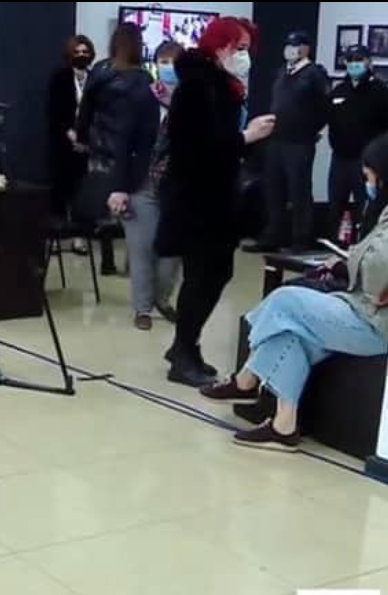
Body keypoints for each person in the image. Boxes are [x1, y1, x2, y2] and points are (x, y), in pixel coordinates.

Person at [200, 133, 388, 452]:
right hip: (361, 307)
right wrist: (351, 260)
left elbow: (378, 270)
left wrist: (348, 264)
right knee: (290, 330)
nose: (366, 182)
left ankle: (246, 381)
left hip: (374, 323)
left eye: (369, 175)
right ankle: (284, 426)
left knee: (283, 302)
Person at [156, 17, 277, 387]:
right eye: (238, 48)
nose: (244, 57)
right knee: (202, 276)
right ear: (220, 46)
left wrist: (246, 140)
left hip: (215, 200)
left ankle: (185, 346)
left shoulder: (222, 86)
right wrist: (245, 137)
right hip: (197, 201)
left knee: (215, 273)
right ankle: (184, 350)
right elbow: (195, 148)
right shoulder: (198, 87)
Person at [74, 23, 160, 276]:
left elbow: (85, 111)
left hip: (101, 148)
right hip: (133, 153)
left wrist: (82, 137)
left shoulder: (99, 71)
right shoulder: (144, 79)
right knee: (133, 207)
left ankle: (107, 260)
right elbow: (149, 124)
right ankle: (133, 260)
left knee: (106, 204)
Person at [120, 41, 184, 331]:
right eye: (163, 62)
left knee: (172, 251)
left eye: (173, 63)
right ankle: (142, 307)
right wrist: (118, 187)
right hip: (141, 182)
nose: (168, 68)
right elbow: (122, 142)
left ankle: (162, 298)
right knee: (142, 248)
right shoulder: (141, 97)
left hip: (177, 184)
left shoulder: (193, 101)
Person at [245, 31, 329, 253]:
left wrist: (310, 130)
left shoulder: (315, 74)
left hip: (299, 142)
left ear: (306, 48)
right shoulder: (282, 71)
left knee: (299, 190)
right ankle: (272, 236)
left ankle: (300, 239)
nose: (291, 49)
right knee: (274, 190)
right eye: (289, 45)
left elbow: (324, 108)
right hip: (276, 139)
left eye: (296, 45)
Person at [326, 44, 388, 243]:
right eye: (350, 60)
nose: (354, 64)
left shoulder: (380, 91)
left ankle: (364, 247)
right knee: (335, 206)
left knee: (367, 207)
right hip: (339, 160)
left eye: (359, 60)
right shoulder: (339, 90)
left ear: (368, 62)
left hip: (366, 164)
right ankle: (335, 246)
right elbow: (328, 118)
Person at [47, 35, 95, 222]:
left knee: (83, 186)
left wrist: (87, 139)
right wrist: (70, 134)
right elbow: (53, 110)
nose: (81, 55)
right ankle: (60, 223)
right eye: (77, 52)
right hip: (63, 141)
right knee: (62, 184)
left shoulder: (95, 78)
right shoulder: (60, 77)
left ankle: (81, 225)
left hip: (89, 142)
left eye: (85, 52)